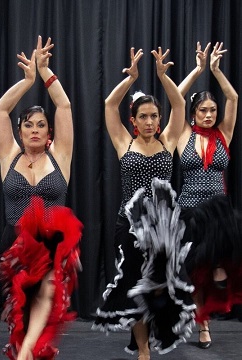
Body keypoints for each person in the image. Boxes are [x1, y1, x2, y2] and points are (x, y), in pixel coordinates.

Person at [92, 47, 195, 360]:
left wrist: (164, 77)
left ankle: (157, 330)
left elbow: (178, 102)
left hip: (163, 230)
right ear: (133, 120)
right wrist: (131, 79)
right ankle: (143, 349)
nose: (149, 121)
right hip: (130, 227)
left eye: (154, 116)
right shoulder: (125, 142)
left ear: (159, 119)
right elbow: (110, 104)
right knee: (135, 286)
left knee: (160, 288)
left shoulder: (169, 140)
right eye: (143, 117)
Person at [0, 36, 83, 360]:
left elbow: (65, 106)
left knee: (46, 292)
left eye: (40, 125)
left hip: (52, 245)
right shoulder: (9, 156)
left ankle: (28, 350)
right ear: (20, 131)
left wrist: (46, 74)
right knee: (23, 316)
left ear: (50, 133)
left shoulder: (61, 155)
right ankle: (28, 350)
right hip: (15, 244)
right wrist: (27, 80)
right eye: (28, 125)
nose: (34, 130)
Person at [176, 41, 242, 349]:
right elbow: (175, 97)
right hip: (190, 209)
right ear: (192, 113)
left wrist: (215, 71)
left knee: (215, 272)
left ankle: (203, 318)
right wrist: (198, 70)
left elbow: (233, 96)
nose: (209, 114)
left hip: (217, 213)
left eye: (212, 110)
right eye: (202, 110)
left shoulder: (223, 134)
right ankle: (201, 325)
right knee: (195, 275)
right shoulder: (183, 136)